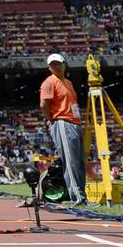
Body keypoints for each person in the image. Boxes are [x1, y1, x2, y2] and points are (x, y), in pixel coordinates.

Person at [40, 53, 86, 206]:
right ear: (49, 67)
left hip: (74, 122)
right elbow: (43, 104)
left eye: (58, 63)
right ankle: (76, 196)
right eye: (53, 64)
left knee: (79, 162)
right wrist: (52, 119)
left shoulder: (68, 82)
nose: (56, 66)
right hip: (62, 122)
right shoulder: (49, 82)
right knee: (71, 161)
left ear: (64, 64)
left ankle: (82, 195)